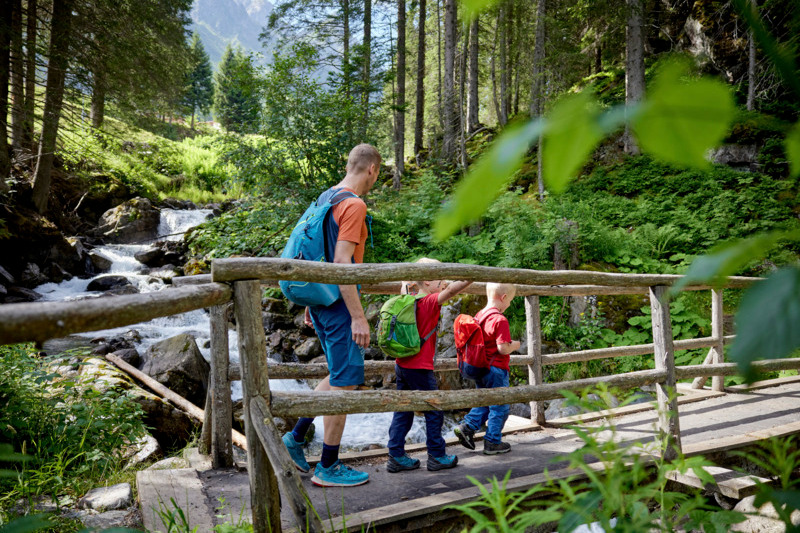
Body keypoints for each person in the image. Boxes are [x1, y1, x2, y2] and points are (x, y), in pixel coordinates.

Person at [282, 143, 382, 487]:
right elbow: (342, 263)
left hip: (323, 301)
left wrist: (312, 301)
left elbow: (314, 252)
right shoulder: (353, 204)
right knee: (346, 381)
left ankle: (295, 438)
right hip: (339, 305)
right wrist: (358, 316)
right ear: (372, 169)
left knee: (339, 376)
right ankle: (328, 467)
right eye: (376, 174)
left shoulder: (326, 197)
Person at [386, 258, 473, 473]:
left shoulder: (408, 298)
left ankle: (395, 454)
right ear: (426, 280)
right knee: (434, 410)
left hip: (402, 364)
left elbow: (409, 281)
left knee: (403, 410)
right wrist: (473, 275)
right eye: (439, 276)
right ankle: (436, 454)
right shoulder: (429, 302)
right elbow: (453, 290)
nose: (443, 281)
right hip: (420, 367)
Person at [454, 282, 520, 455]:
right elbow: (503, 348)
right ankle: (492, 442)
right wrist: (515, 345)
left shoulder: (480, 315)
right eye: (511, 300)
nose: (510, 304)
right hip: (496, 370)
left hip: (480, 367)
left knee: (485, 401)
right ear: (503, 297)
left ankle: (468, 427)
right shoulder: (500, 319)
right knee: (500, 406)